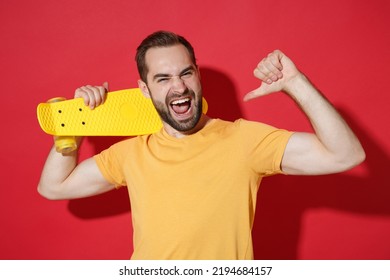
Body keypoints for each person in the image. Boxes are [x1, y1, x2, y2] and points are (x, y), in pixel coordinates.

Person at [38, 31, 365, 260]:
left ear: (197, 76)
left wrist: (296, 83)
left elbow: (345, 155)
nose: (179, 86)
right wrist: (74, 126)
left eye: (186, 73)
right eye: (163, 79)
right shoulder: (132, 153)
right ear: (144, 90)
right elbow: (54, 187)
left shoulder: (244, 141)